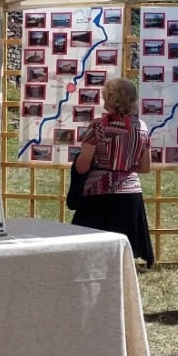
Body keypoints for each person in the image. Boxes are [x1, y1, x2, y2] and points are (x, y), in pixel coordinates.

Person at [70, 77, 155, 267]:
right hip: (131, 193)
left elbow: (82, 167)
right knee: (123, 257)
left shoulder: (99, 126)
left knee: (92, 254)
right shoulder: (142, 127)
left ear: (111, 99)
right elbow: (145, 168)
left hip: (99, 194)